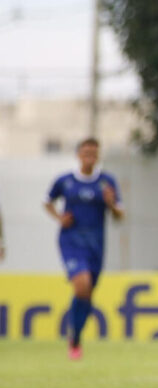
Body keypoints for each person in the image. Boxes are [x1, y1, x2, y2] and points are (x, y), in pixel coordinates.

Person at [43, 138, 125, 359]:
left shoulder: (107, 182)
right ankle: (75, 339)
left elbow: (120, 216)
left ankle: (75, 336)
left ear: (98, 156)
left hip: (96, 244)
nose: (89, 156)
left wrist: (110, 204)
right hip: (71, 241)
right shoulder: (66, 181)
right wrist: (59, 217)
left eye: (93, 152)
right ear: (78, 154)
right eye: (85, 152)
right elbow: (47, 201)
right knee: (82, 285)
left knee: (87, 292)